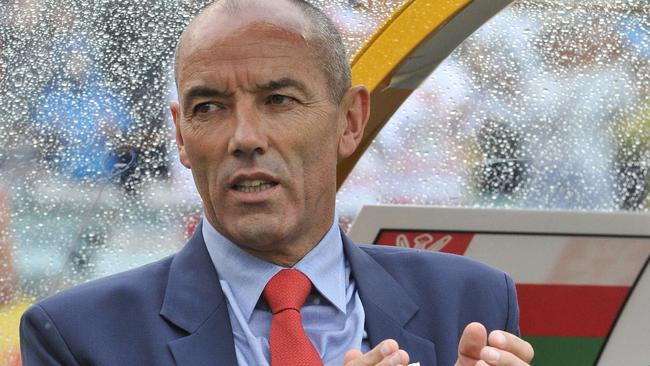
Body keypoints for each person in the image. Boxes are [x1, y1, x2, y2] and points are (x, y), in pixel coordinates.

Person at [20, 1, 534, 365]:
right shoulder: (78, 338)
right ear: (180, 135)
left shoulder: (471, 303)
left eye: (279, 101)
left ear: (350, 121)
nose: (245, 138)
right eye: (210, 107)